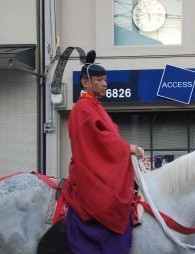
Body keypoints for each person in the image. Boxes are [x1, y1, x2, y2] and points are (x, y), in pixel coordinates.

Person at [61, 50, 144, 254]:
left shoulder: (94, 106)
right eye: (99, 79)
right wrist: (127, 148)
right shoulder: (83, 108)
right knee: (111, 202)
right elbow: (99, 142)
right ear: (85, 83)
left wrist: (124, 149)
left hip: (97, 167)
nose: (104, 83)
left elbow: (107, 139)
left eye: (105, 80)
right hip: (88, 172)